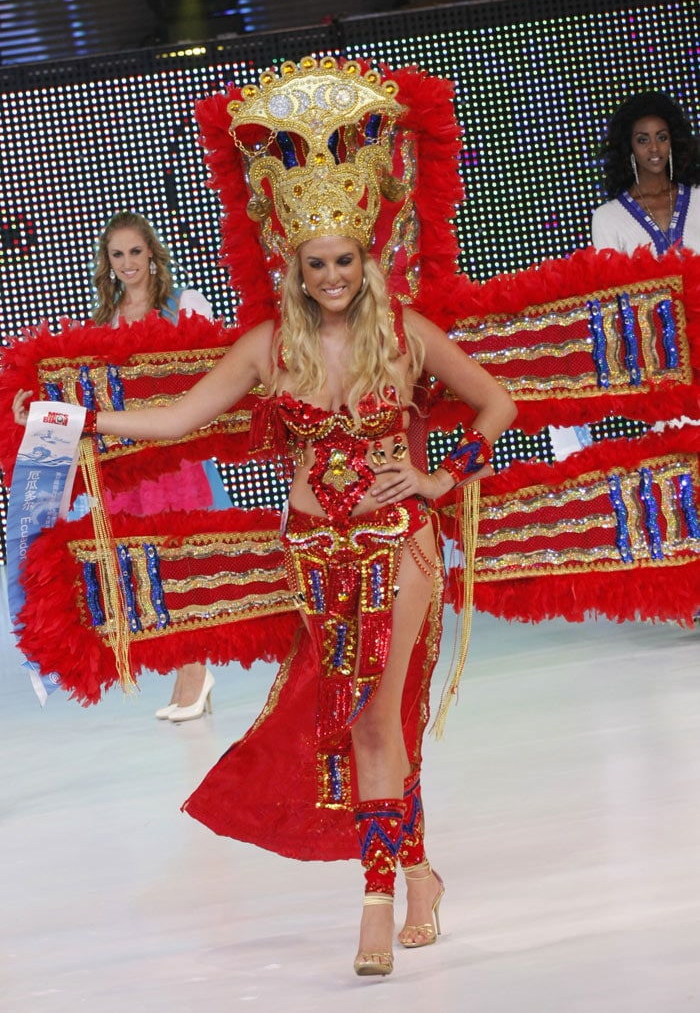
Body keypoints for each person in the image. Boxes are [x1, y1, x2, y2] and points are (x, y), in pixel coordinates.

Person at [13, 59, 516, 978]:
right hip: (311, 555)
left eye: (345, 260)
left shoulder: (405, 334)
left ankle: (373, 902)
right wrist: (83, 419)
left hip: (400, 546)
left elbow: (498, 405)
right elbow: (174, 419)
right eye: (315, 262)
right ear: (293, 263)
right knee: (371, 715)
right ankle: (420, 872)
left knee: (372, 713)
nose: (331, 276)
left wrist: (441, 480)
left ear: (367, 255)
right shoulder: (264, 348)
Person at [91, 210, 228, 721]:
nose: (128, 263)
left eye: (135, 251)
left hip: (178, 456)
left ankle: (196, 672)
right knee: (148, 565)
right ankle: (185, 670)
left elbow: (214, 372)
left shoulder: (185, 306)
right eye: (117, 254)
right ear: (108, 263)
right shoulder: (103, 322)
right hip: (132, 461)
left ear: (152, 253)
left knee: (184, 558)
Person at [591, 91, 700, 255]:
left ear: (673, 140)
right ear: (629, 147)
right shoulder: (607, 218)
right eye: (643, 140)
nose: (654, 148)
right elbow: (611, 280)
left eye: (662, 137)